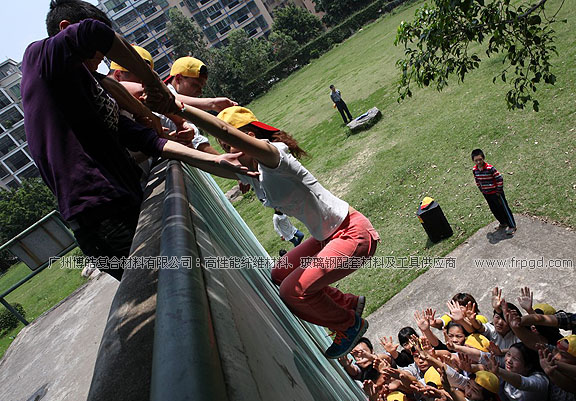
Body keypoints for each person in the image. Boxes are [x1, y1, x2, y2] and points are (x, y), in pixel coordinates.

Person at [21, 0, 255, 280]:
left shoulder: (86, 87)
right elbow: (95, 32)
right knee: (170, 288)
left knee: (188, 280)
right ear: (65, 30)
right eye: (100, 53)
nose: (104, 58)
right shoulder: (39, 57)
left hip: (124, 200)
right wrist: (154, 83)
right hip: (100, 214)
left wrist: (214, 159)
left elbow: (146, 139)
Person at [169, 103, 380, 358]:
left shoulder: (274, 157)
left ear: (249, 136)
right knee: (280, 272)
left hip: (352, 234)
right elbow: (213, 162)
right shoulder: (251, 173)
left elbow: (225, 131)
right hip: (327, 237)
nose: (226, 149)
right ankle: (347, 303)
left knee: (293, 292)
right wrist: (172, 147)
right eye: (224, 146)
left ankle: (347, 324)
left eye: (229, 143)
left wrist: (178, 107)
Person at [471, 149, 516, 235]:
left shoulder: (490, 168)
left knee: (504, 208)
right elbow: (477, 180)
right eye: (476, 160)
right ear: (473, 161)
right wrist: (481, 189)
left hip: (496, 193)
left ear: (483, 158)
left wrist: (498, 190)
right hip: (486, 193)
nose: (478, 162)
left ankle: (512, 225)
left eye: (480, 159)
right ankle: (503, 223)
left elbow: (499, 178)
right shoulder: (475, 170)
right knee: (494, 209)